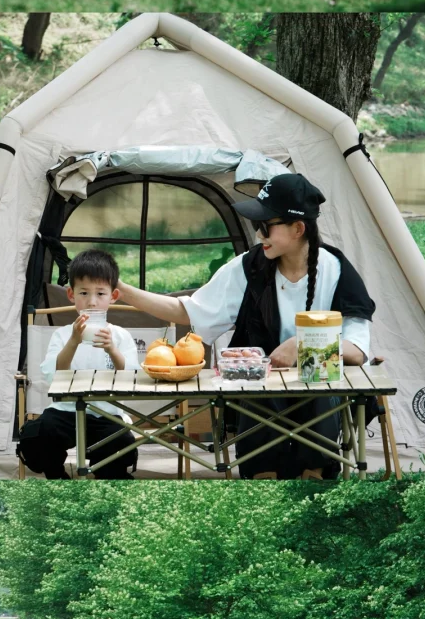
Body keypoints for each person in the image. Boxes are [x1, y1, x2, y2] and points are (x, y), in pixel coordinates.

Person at [116, 173, 375, 479]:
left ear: (298, 228)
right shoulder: (249, 267)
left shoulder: (337, 271)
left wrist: (300, 345)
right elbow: (185, 311)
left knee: (316, 385)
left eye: (265, 227)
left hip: (320, 393)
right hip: (259, 390)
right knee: (257, 392)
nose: (258, 235)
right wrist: (121, 288)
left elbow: (357, 351)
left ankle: (314, 477)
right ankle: (261, 480)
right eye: (256, 226)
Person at [18, 249, 140, 479]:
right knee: (38, 434)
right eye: (83, 293)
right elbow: (54, 376)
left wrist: (112, 349)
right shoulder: (63, 335)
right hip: (66, 411)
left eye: (100, 294)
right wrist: (74, 341)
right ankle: (57, 477)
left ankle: (108, 481)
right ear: (71, 294)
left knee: (120, 442)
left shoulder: (120, 336)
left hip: (107, 413)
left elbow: (131, 377)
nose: (91, 302)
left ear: (113, 296)